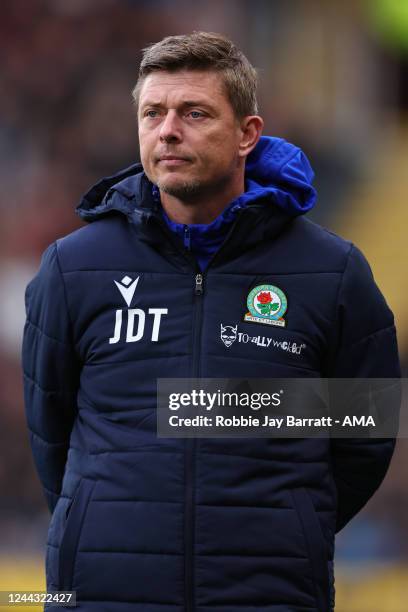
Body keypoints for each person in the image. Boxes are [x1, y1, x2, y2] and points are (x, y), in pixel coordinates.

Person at [22, 32, 400, 612]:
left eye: (194, 113)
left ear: (248, 134)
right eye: (153, 113)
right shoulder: (74, 267)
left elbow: (365, 427)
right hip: (105, 591)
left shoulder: (332, 271)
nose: (168, 130)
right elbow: (51, 428)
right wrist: (100, 519)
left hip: (269, 592)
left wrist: (286, 520)